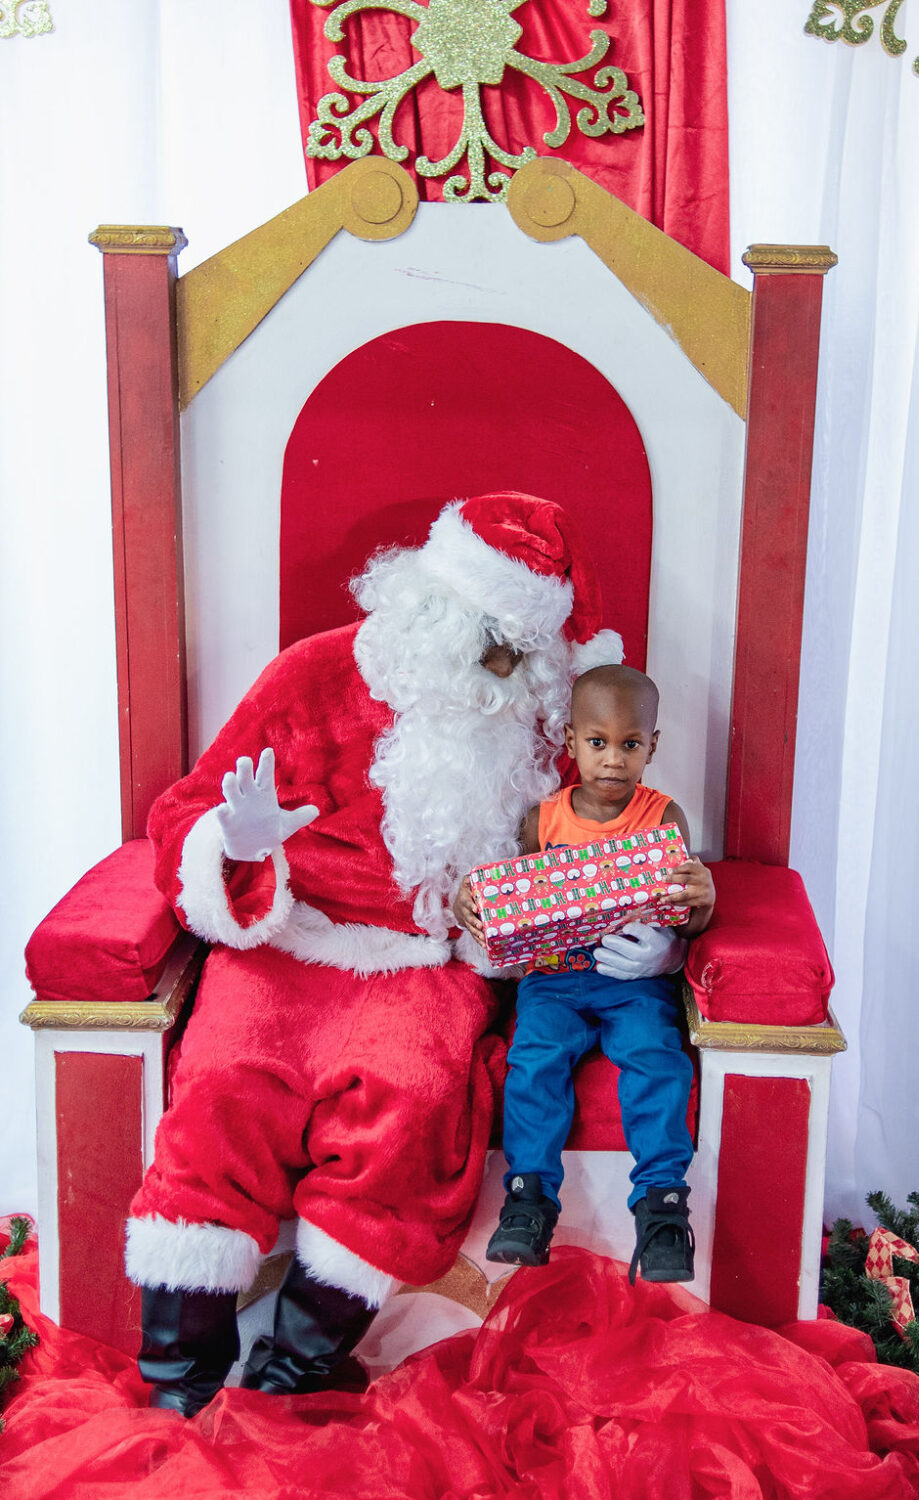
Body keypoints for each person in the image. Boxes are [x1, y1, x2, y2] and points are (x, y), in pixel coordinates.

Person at [126, 493, 624, 1415]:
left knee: (413, 1099)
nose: (501, 669)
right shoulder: (311, 675)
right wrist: (235, 846)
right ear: (430, 606)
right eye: (487, 639)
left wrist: (555, 912)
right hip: (290, 936)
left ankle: (291, 1373)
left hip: (430, 958)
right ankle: (179, 1378)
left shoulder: (548, 723)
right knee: (225, 1084)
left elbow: (586, 854)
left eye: (521, 650)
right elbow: (186, 810)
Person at [454, 665, 716, 1283]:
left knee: (658, 1060)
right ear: (571, 741)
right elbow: (514, 905)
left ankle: (662, 1208)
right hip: (554, 980)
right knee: (533, 1062)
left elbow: (686, 917)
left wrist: (703, 902)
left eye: (631, 744)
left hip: (635, 981)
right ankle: (528, 1200)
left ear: (652, 746)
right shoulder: (541, 821)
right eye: (598, 742)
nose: (614, 759)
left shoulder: (663, 816)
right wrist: (477, 907)